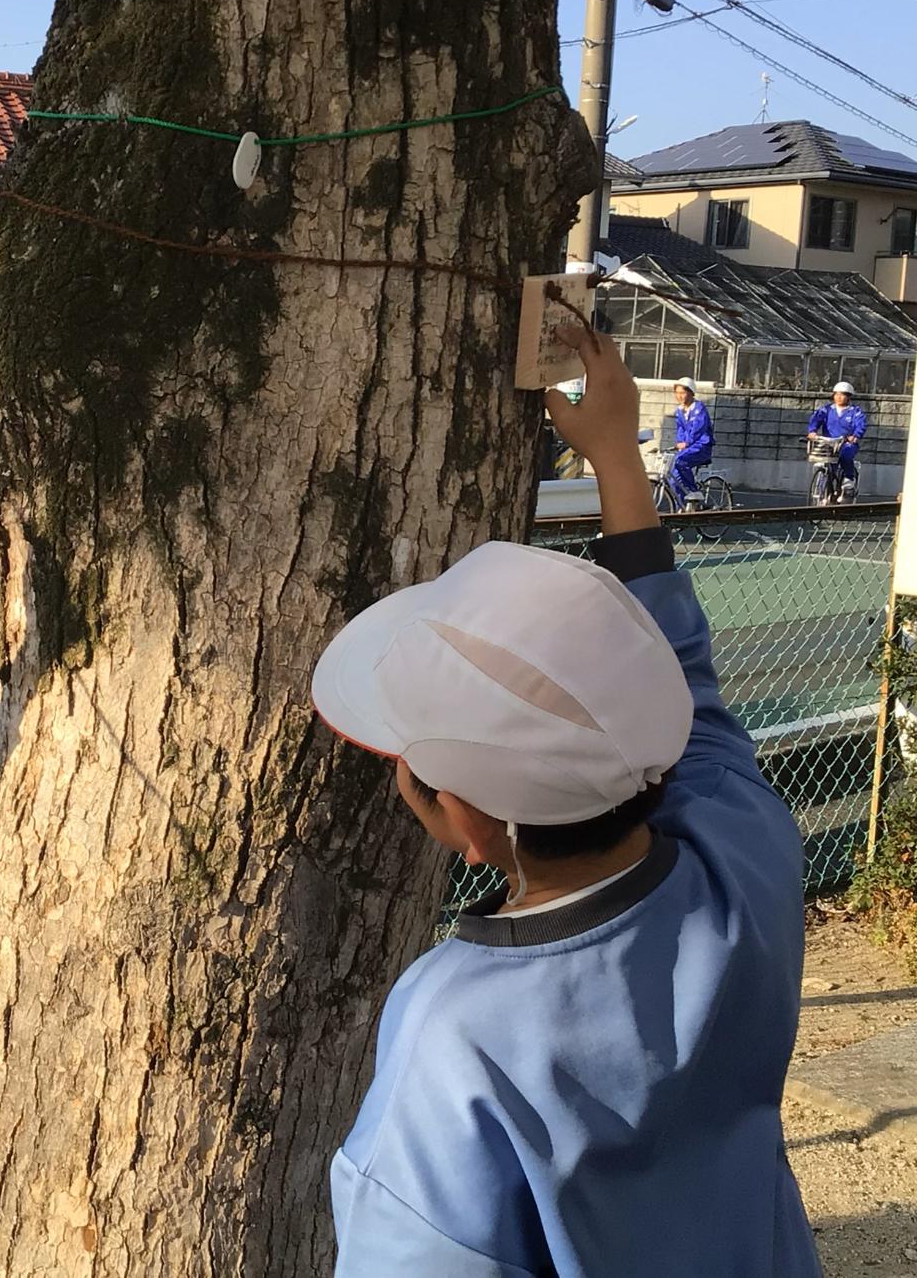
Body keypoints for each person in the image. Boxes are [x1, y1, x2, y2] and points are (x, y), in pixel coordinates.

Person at [314, 324, 819, 1277]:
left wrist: (615, 452)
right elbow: (687, 689)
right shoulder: (742, 850)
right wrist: (619, 452)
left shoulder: (454, 1027)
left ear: (463, 821)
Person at [807, 382, 867, 500]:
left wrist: (855, 435)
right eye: (837, 394)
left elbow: (861, 424)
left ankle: (849, 480)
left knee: (846, 455)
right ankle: (827, 488)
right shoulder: (827, 410)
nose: (839, 397)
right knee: (827, 461)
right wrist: (812, 431)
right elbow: (816, 419)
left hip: (846, 442)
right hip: (828, 442)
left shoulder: (855, 411)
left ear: (849, 397)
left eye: (843, 395)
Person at [670, 375, 714, 507]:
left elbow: (698, 429)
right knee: (672, 477)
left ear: (691, 393)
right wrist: (680, 443)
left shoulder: (698, 409)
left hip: (701, 447)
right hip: (688, 448)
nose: (679, 396)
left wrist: (687, 443)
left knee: (680, 460)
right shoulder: (679, 411)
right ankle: (681, 507)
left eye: (683, 393)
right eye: (677, 393)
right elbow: (680, 430)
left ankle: (694, 492)